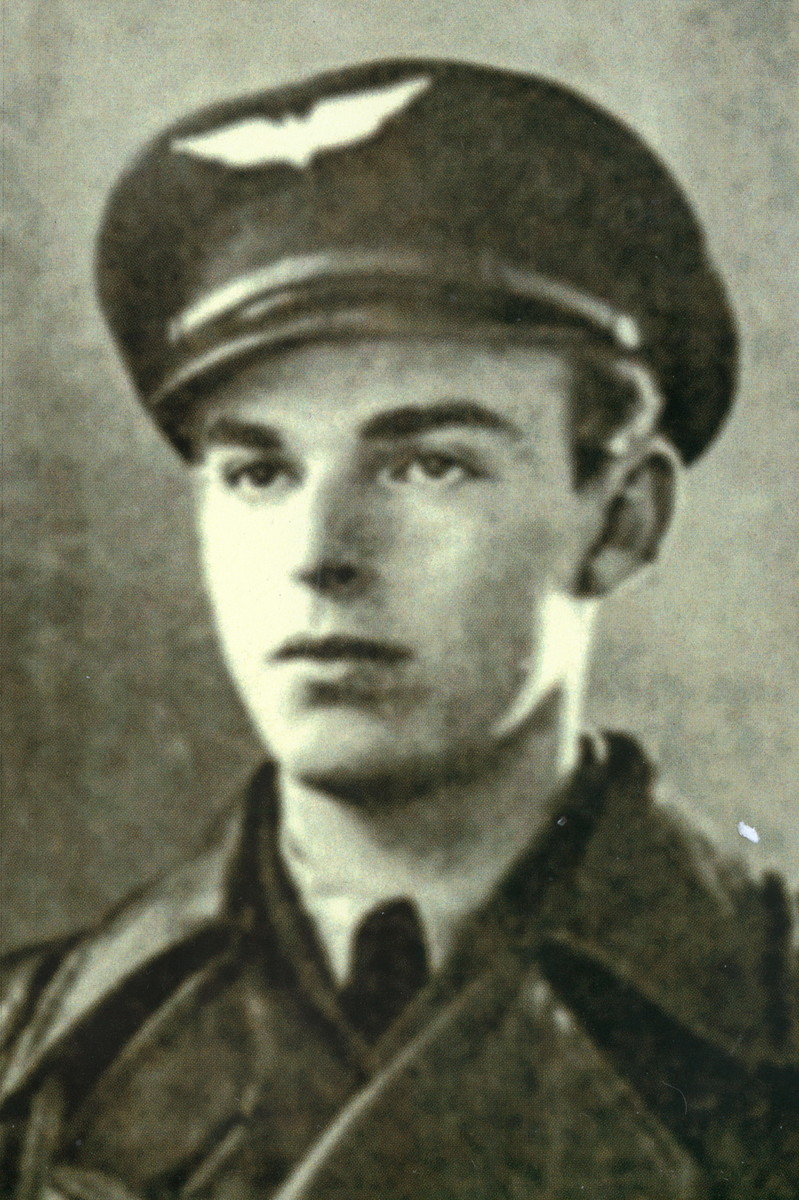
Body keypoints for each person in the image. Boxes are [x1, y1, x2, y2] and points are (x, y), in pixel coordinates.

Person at [0, 58, 796, 1200]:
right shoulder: (35, 1055)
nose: (320, 552)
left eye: (428, 464)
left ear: (622, 519)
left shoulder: (765, 1025)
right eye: (260, 471)